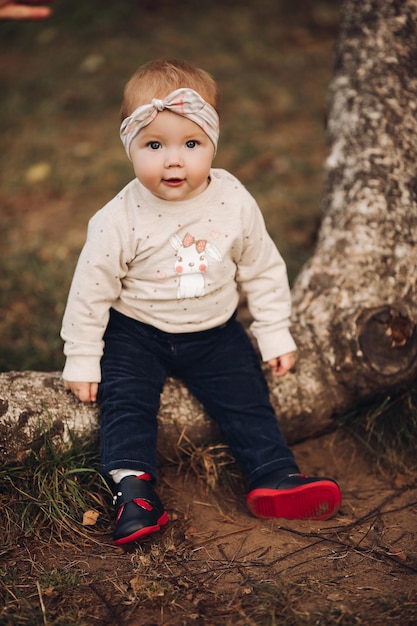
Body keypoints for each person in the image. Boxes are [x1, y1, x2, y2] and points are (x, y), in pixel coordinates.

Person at [61, 59, 342, 547]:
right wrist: (83, 356)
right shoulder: (117, 218)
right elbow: (91, 291)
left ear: (213, 144)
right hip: (136, 332)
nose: (174, 160)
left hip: (215, 331)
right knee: (126, 403)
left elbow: (262, 265)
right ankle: (134, 492)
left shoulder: (232, 198)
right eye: (154, 145)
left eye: (191, 145)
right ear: (129, 148)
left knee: (248, 397)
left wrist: (274, 330)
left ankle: (273, 474)